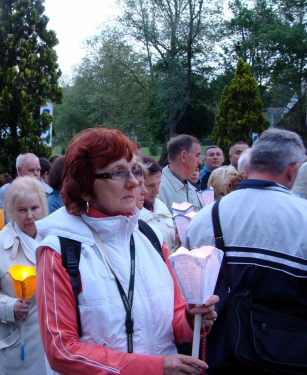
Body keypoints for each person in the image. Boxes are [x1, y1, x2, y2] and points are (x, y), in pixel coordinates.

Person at [35, 128, 218, 375]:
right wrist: (155, 368)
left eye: (134, 170)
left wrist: (192, 319)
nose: (134, 182)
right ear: (86, 185)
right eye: (118, 172)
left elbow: (174, 318)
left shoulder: (149, 236)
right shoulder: (61, 249)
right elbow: (62, 351)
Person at [184, 128, 307, 374]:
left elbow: (188, 294)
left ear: (249, 164)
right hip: (289, 359)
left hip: (218, 355)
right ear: (293, 169)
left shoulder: (204, 217)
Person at [0, 176, 48, 375]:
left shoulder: (55, 240)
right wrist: (10, 307)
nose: (30, 216)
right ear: (11, 212)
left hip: (54, 344)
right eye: (22, 210)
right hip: (19, 344)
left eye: (35, 208)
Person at [159, 135, 202, 213]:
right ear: (183, 156)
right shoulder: (159, 189)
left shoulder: (191, 188)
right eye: (197, 156)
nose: (200, 162)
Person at [140, 157, 176, 250]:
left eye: (158, 184)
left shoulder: (160, 205)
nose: (157, 191)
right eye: (150, 185)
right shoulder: (132, 215)